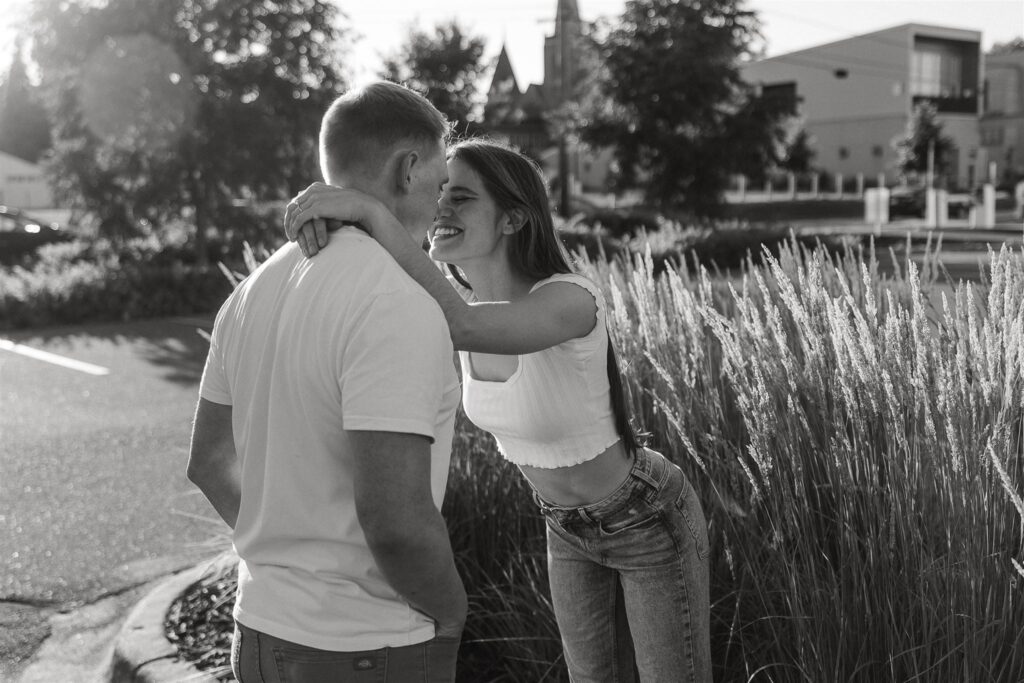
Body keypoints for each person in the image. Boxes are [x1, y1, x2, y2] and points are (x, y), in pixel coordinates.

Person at [284, 139, 712, 682]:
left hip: (645, 519)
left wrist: (368, 209)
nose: (440, 208)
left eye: (461, 198)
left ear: (513, 219)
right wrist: (330, 221)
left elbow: (466, 323)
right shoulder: (439, 304)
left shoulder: (570, 299)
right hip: (566, 528)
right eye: (440, 192)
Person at [187, 81, 466, 683]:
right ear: (408, 169)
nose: (444, 203)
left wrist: (288, 551)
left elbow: (208, 462)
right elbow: (395, 521)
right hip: (366, 646)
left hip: (258, 630)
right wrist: (451, 614)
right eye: (441, 182)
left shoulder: (249, 291)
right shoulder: (397, 301)